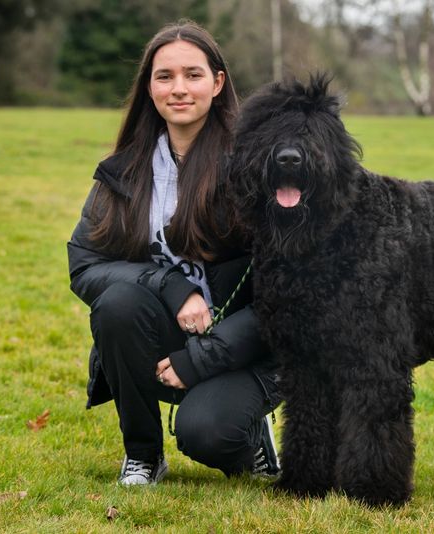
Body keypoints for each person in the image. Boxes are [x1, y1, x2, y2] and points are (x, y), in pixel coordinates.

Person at [67, 20, 281, 486]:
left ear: (218, 83)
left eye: (193, 74)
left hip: (247, 340)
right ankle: (143, 455)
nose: (178, 88)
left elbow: (286, 291)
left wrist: (200, 360)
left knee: (207, 434)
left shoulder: (252, 169)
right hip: (166, 329)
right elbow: (85, 266)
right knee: (117, 303)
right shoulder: (124, 171)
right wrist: (170, 284)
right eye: (165, 76)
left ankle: (249, 430)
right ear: (149, 86)